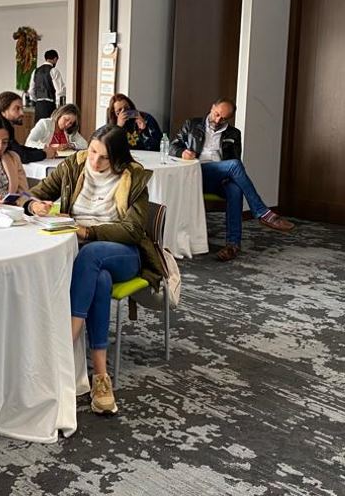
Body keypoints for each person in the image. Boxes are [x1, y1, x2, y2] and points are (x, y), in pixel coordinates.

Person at [22, 125, 164, 415]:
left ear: (118, 158)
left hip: (123, 253)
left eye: (104, 157)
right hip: (85, 256)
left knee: (92, 255)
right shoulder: (74, 166)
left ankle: (64, 346)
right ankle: (101, 376)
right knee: (99, 279)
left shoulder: (133, 177)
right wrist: (34, 205)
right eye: (93, 153)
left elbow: (133, 230)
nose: (95, 161)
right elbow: (32, 194)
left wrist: (88, 231)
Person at [171, 98, 294, 262]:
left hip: (219, 178)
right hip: (196, 173)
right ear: (212, 107)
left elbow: (234, 164)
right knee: (235, 165)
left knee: (235, 189)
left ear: (228, 119)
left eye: (223, 118)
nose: (217, 120)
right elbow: (172, 146)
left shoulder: (234, 134)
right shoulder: (191, 124)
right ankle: (262, 212)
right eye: (216, 114)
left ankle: (232, 245)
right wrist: (182, 153)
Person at [0, 91, 56, 164]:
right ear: (3, 112)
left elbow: (19, 149)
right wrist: (45, 154)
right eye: (17, 109)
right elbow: (21, 156)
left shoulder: (5, 126)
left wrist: (42, 151)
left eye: (22, 108)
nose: (22, 113)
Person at [27, 49, 65, 122]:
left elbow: (31, 90)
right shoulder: (54, 71)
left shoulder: (35, 71)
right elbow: (60, 91)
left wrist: (36, 100)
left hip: (39, 105)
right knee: (50, 127)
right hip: (50, 105)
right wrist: (59, 107)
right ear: (55, 59)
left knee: (39, 127)